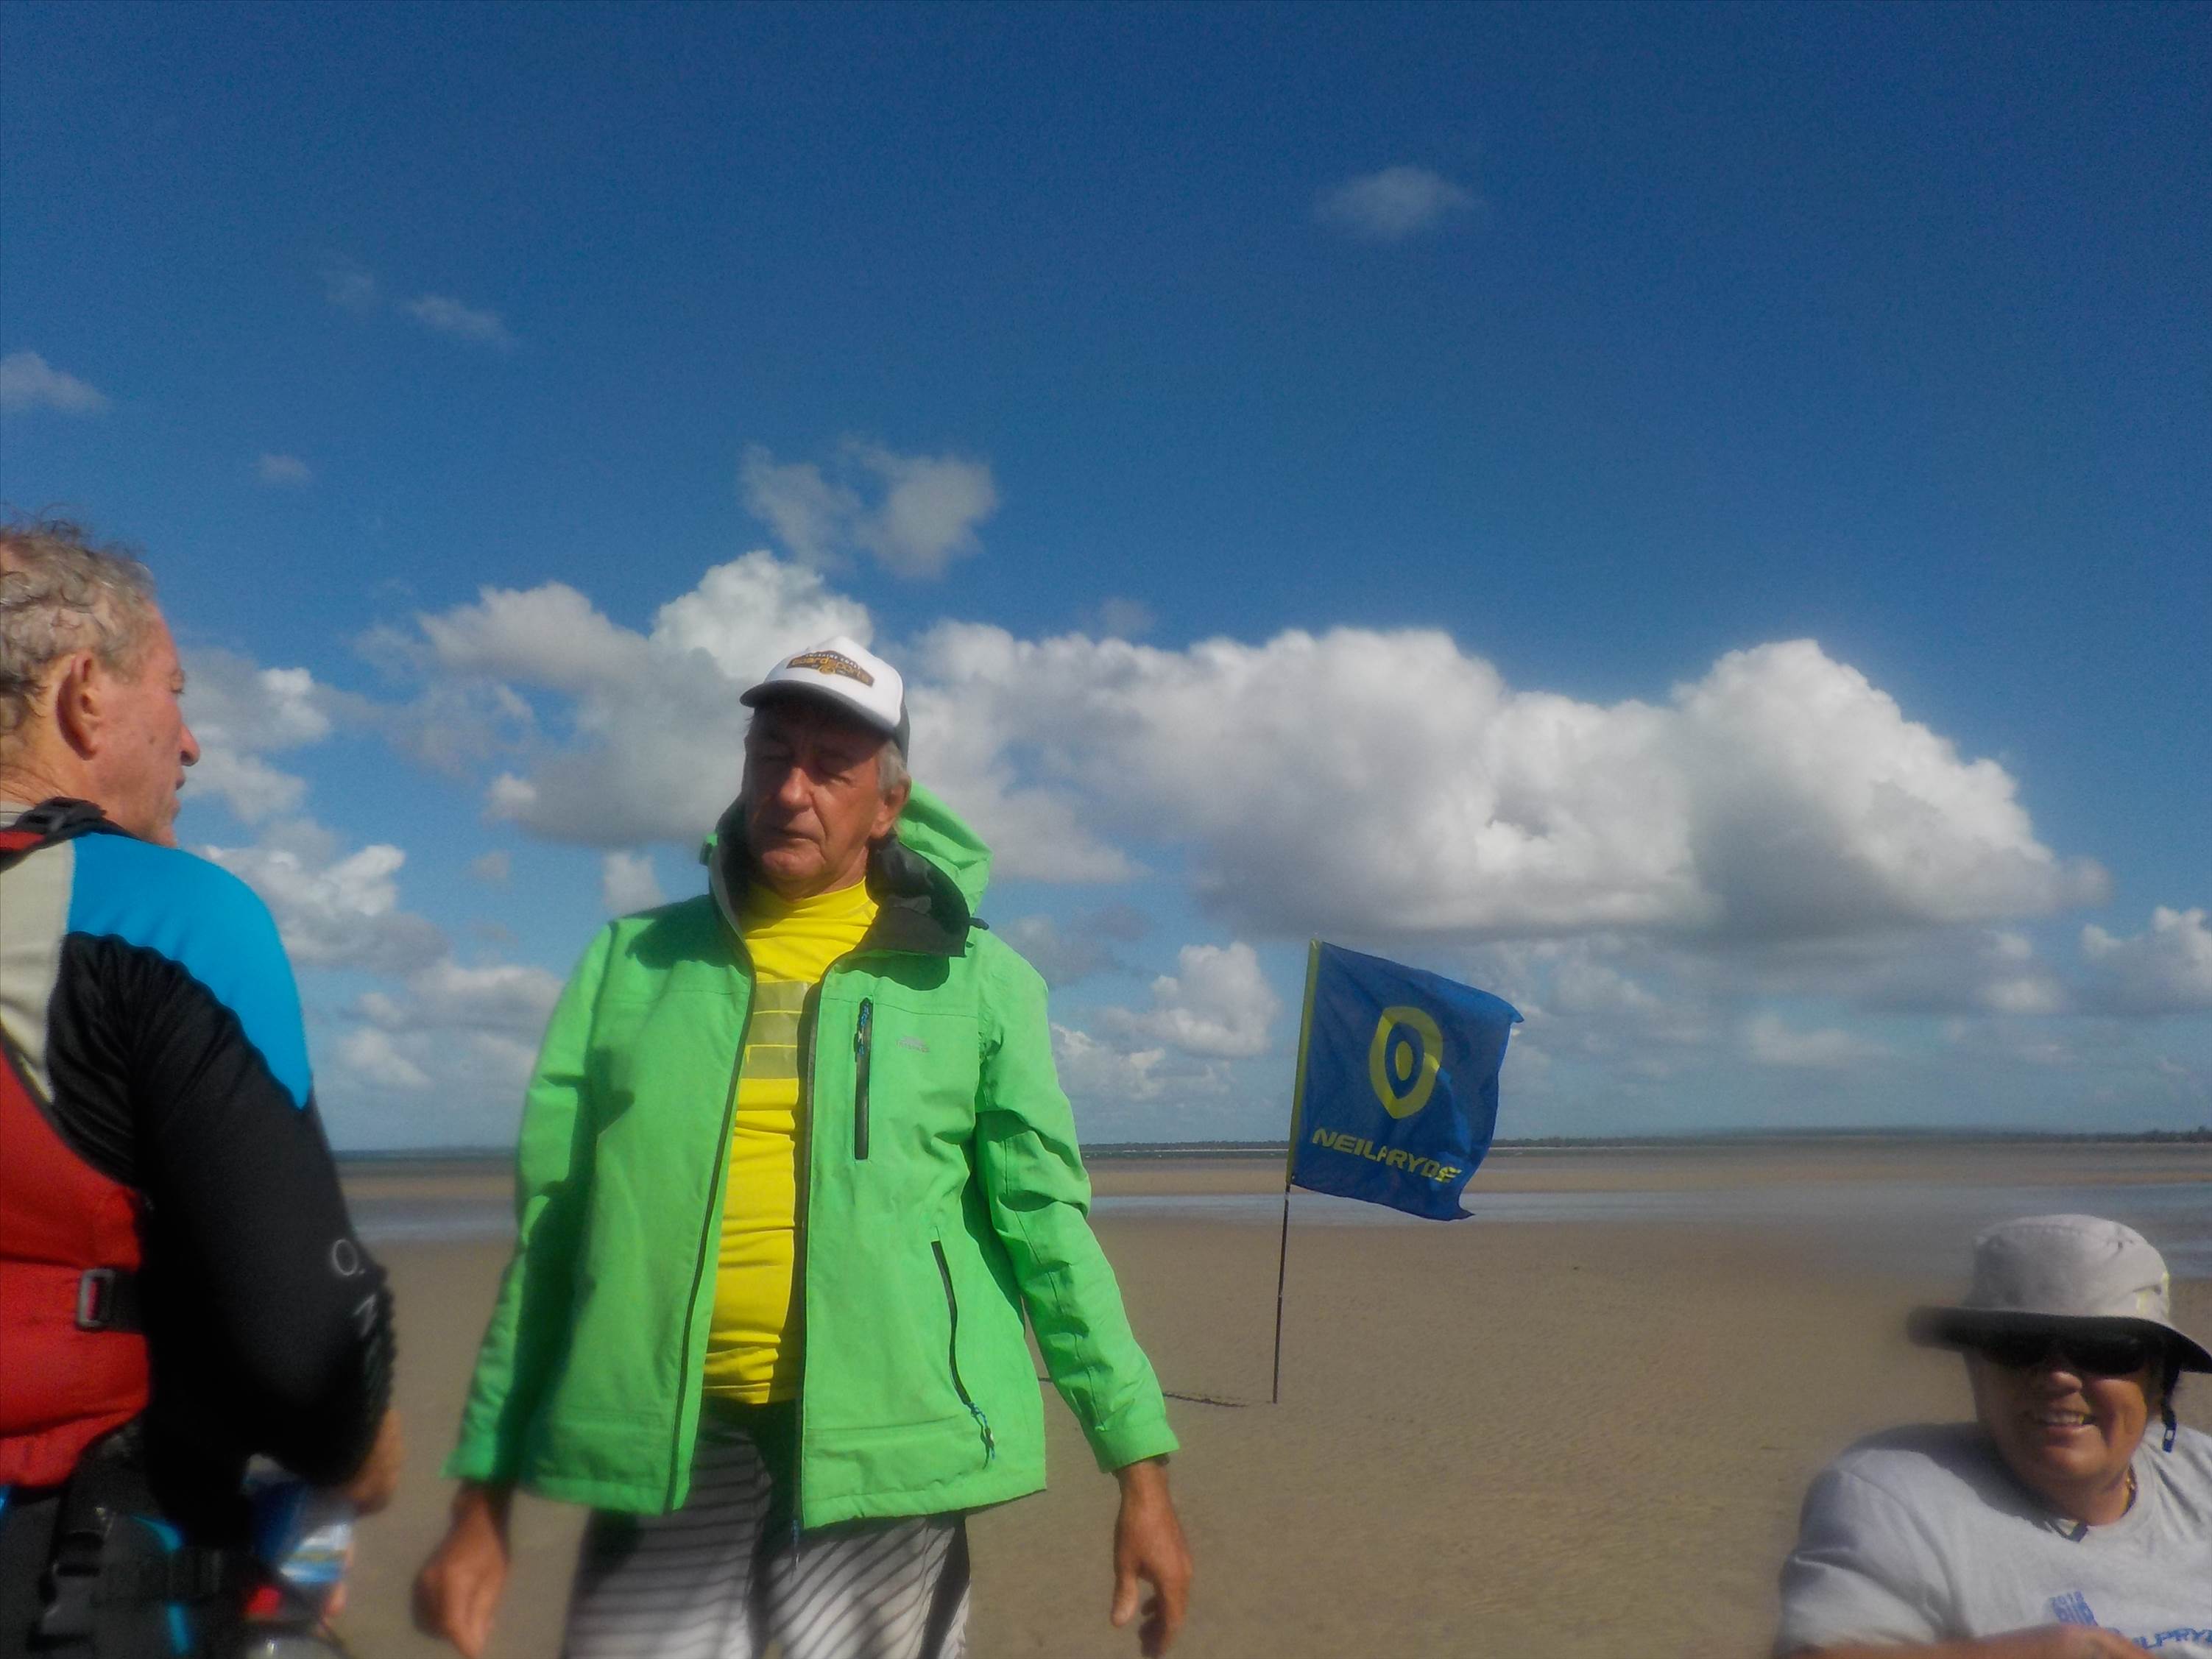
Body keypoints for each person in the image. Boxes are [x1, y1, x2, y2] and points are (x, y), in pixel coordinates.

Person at [413, 634, 1192, 1659]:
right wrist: (481, 1500)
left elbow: (1046, 1228)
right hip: (662, 1443)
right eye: (771, 755)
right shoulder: (630, 964)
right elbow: (551, 1239)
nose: (791, 790)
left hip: (886, 1447)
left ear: (887, 804)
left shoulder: (977, 979)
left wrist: (1139, 1471)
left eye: (830, 768)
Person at [0, 518, 401, 1656]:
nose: (191, 744)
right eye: (172, 694)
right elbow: (305, 1347)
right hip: (76, 1562)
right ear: (83, 694)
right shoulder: (161, 911)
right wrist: (360, 1453)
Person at [1775, 1214, 2212, 1658]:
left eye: (2107, 1348)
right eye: (2018, 1345)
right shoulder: (1895, 1495)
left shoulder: (2202, 1475)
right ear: (1974, 1368)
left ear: (2159, 1382)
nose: (2058, 1376)